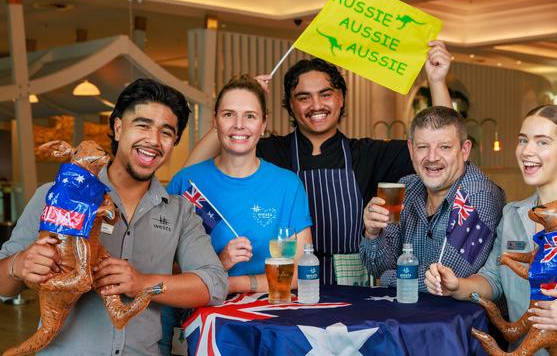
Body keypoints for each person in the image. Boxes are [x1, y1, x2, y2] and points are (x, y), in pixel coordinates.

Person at [185, 41, 453, 284]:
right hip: (286, 286)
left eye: (326, 94)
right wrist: (241, 104)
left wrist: (437, 81)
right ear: (289, 105)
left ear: (341, 99)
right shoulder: (269, 152)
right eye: (303, 97)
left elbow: (443, 142)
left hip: (353, 286)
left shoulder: (368, 154)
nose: (316, 105)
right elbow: (191, 174)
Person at [0, 79, 228, 355]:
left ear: (174, 142)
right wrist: (19, 265)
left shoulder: (180, 211)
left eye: (166, 133)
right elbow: (4, 287)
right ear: (118, 128)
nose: (153, 141)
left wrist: (141, 282)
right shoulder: (55, 196)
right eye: (142, 125)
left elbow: (213, 285)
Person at [425, 105, 557, 355]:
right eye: (523, 140)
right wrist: (458, 286)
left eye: (542, 142)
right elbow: (493, 279)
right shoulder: (513, 214)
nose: (527, 151)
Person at [167, 75, 312, 293]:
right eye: (228, 114)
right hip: (198, 316)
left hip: (267, 316)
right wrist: (220, 261)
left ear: (263, 124)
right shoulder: (186, 182)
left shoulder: (288, 186)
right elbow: (163, 268)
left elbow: (298, 272)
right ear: (215, 121)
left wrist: (231, 283)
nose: (239, 125)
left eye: (250, 116)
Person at [360, 106, 506, 291]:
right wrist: (373, 234)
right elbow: (378, 268)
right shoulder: (405, 187)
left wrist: (388, 278)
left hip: (462, 318)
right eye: (422, 147)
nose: (432, 157)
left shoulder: (479, 195)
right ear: (411, 149)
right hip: (408, 313)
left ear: (464, 150)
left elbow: (444, 280)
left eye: (444, 147)